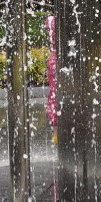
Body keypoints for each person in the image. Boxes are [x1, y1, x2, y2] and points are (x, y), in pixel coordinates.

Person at [45, 15, 58, 144]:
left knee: (55, 94)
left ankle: (56, 133)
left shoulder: (50, 20)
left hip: (54, 60)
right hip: (64, 60)